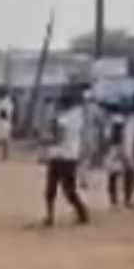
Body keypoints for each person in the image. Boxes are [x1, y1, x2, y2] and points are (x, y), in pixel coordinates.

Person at [43, 90, 89, 227]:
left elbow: (58, 137)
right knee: (69, 189)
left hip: (58, 155)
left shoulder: (63, 119)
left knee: (51, 188)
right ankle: (82, 213)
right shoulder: (78, 116)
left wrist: (45, 139)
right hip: (71, 156)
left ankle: (50, 217)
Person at [104, 104, 134, 208]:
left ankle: (118, 199)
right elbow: (109, 135)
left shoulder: (131, 120)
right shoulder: (123, 120)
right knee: (122, 173)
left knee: (117, 174)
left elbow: (107, 136)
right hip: (120, 149)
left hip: (119, 149)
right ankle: (122, 199)